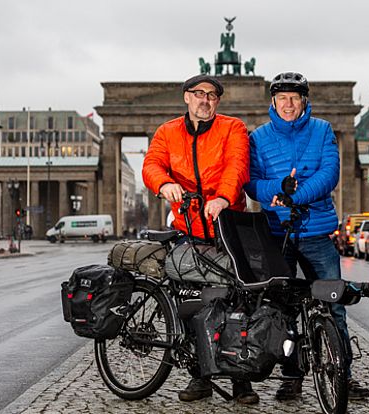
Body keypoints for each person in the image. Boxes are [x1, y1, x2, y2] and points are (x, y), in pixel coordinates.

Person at [245, 71, 369, 400]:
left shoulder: (323, 130)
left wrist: (294, 197)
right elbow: (252, 182)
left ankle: (344, 372)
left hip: (315, 232)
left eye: (294, 98)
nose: (288, 104)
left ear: (304, 101)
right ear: (273, 101)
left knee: (334, 306)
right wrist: (277, 189)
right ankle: (291, 377)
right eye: (282, 98)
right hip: (278, 234)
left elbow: (330, 173)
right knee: (282, 311)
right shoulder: (258, 138)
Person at [142, 74, 258, 405]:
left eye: (212, 95)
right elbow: (151, 164)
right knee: (192, 306)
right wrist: (163, 184)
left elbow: (237, 165)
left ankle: (241, 381)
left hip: (227, 228)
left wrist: (223, 197)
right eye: (199, 94)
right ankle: (200, 377)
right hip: (189, 229)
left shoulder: (232, 128)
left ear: (217, 102)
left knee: (240, 304)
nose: (205, 100)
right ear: (186, 98)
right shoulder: (167, 133)